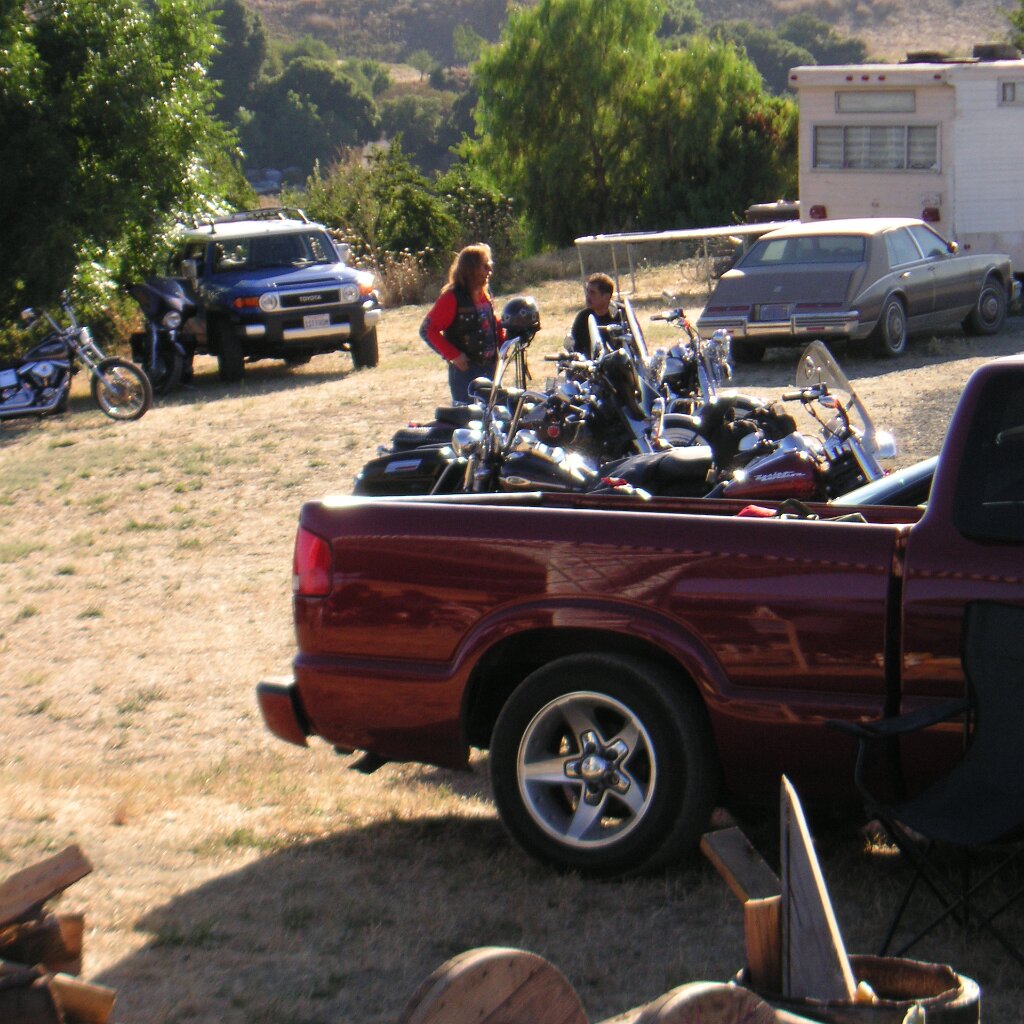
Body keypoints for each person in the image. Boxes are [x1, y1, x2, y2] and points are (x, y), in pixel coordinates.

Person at [420, 244, 504, 404]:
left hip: (491, 369)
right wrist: (453, 355)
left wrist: (504, 342)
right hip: (466, 373)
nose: (489, 272)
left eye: (489, 266)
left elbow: (491, 323)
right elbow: (427, 330)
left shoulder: (484, 294)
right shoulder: (451, 298)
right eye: (485, 267)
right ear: (471, 269)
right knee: (467, 422)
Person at [569, 273, 621, 359]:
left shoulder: (621, 314)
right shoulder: (583, 317)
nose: (588, 297)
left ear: (606, 296)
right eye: (587, 292)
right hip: (592, 368)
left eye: (592, 293)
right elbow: (576, 348)